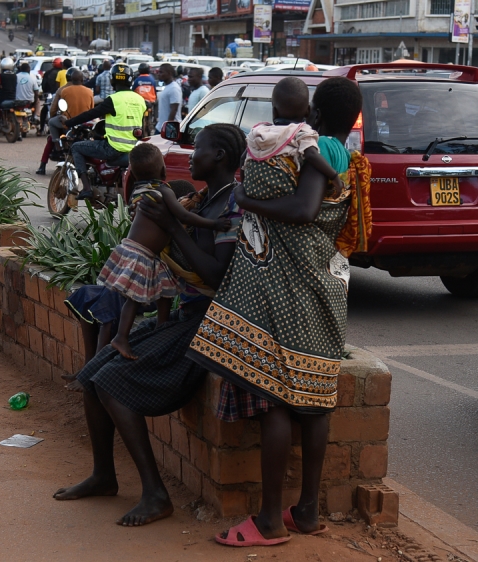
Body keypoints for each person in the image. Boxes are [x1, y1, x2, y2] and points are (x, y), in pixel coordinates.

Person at [188, 77, 368, 548]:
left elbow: (306, 208)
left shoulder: (315, 147)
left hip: (287, 286)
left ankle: (269, 520)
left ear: (318, 114)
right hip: (323, 285)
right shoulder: (346, 156)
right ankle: (305, 511)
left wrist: (246, 200)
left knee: (274, 397)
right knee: (313, 399)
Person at [53, 123, 247, 528]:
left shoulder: (233, 207)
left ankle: (155, 493)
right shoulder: (204, 199)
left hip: (209, 326)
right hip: (184, 316)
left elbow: (215, 276)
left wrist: (175, 228)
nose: (191, 155)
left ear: (222, 157)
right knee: (92, 376)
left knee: (110, 383)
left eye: (201, 149)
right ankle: (104, 474)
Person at [98, 144, 231, 359]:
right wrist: (213, 224)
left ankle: (161, 324)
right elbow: (184, 217)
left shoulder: (140, 192)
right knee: (134, 298)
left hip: (143, 252)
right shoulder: (162, 190)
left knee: (165, 288)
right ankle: (121, 337)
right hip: (142, 253)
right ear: (163, 172)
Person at [59, 63, 146, 199]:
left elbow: (91, 114)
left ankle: (86, 188)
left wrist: (69, 122)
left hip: (113, 148)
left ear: (112, 81)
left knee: (76, 147)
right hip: (133, 148)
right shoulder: (140, 99)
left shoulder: (114, 100)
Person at [37, 70, 93, 175]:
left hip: (67, 123)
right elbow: (92, 109)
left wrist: (54, 116)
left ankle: (53, 150)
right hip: (84, 124)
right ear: (81, 79)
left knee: (51, 130)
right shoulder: (89, 91)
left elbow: (53, 109)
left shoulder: (63, 90)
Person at [154, 63, 182, 133]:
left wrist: (168, 128)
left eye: (161, 72)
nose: (158, 74)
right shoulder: (168, 86)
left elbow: (174, 109)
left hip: (167, 129)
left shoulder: (174, 88)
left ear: (169, 73)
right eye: (158, 72)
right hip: (161, 126)